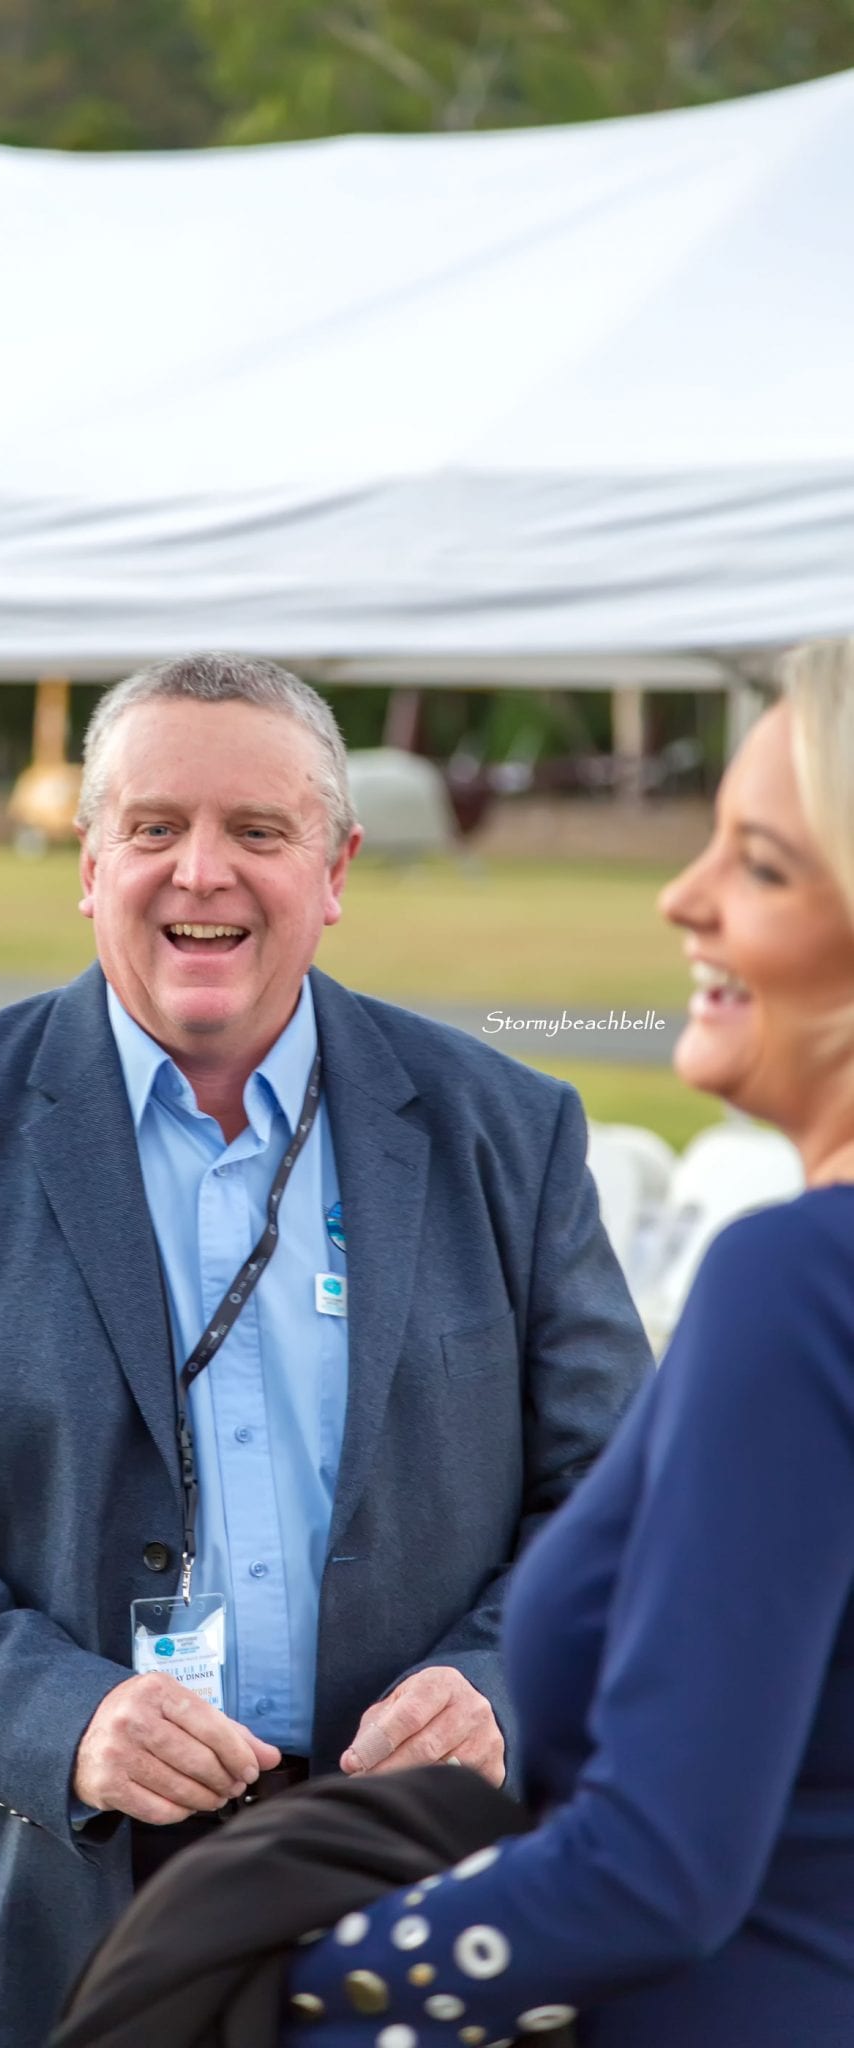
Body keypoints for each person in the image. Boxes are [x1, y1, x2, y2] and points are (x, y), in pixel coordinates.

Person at [0, 652, 650, 2048]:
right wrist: (60, 1718)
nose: (201, 873)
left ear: (336, 868)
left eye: (258, 830)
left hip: (404, 1893)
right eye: (154, 828)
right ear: (89, 865)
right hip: (37, 1910)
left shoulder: (508, 1133)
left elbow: (620, 1507)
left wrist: (504, 1686)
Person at [283, 649, 854, 2046]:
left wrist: (273, 1995)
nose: (682, 897)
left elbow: (651, 1871)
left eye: (761, 866)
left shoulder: (799, 1285)